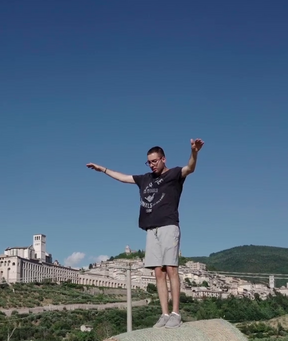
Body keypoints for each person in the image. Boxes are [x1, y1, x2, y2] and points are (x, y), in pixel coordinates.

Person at [86, 139, 204, 328]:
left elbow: (190, 168)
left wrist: (194, 152)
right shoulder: (145, 179)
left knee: (171, 268)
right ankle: (164, 314)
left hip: (168, 226)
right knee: (158, 272)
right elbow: (123, 178)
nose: (151, 165)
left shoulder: (174, 174)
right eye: (149, 162)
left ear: (163, 159)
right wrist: (103, 169)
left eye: (154, 161)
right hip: (151, 229)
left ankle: (176, 313)